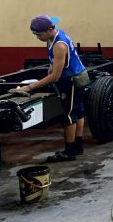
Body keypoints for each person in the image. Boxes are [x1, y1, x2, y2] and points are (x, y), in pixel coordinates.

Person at [16, 15, 89, 162]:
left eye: (39, 34)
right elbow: (56, 64)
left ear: (50, 30)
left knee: (68, 116)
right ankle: (77, 146)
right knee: (78, 112)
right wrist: (52, 65)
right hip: (76, 76)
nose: (37, 37)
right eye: (35, 34)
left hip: (72, 81)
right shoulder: (52, 37)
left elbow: (55, 77)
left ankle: (69, 151)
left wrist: (30, 87)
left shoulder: (59, 45)